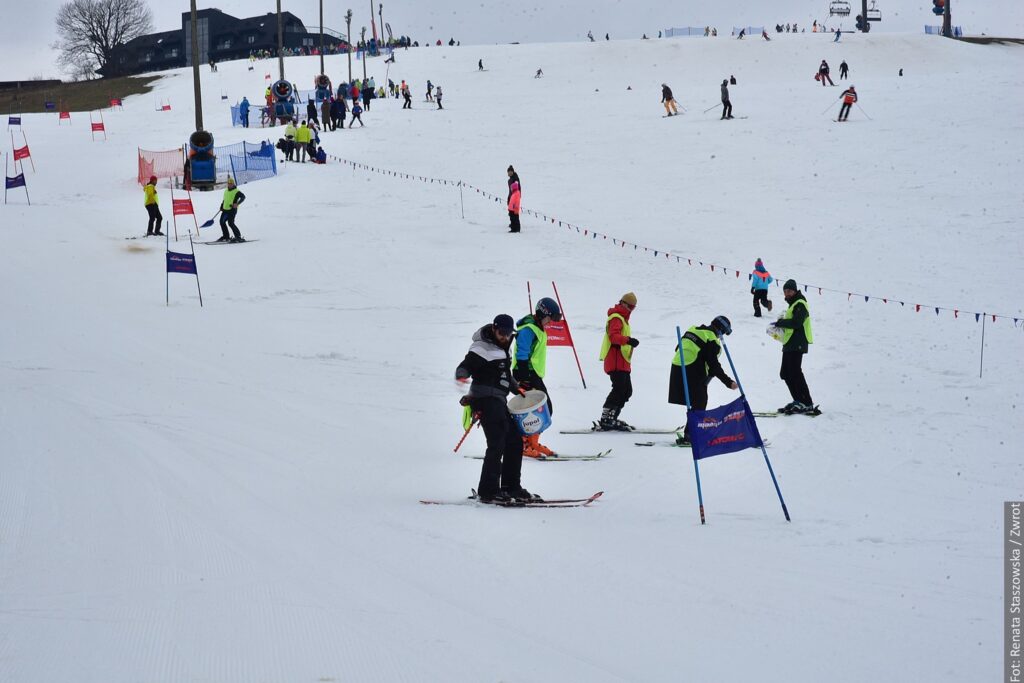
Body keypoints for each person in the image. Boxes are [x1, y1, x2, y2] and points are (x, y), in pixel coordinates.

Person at [454, 314, 537, 503]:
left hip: (498, 400)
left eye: (508, 334)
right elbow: (466, 365)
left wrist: (516, 388)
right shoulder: (480, 347)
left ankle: (511, 487)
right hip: (483, 399)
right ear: (494, 328)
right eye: (502, 333)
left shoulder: (504, 346)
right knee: (497, 443)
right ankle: (488, 491)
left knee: (514, 441)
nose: (505, 337)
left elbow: (504, 374)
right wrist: (461, 375)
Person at [669, 316, 737, 445]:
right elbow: (714, 366)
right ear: (721, 330)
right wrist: (729, 382)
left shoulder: (693, 329)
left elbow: (678, 347)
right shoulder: (712, 340)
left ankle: (691, 432)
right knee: (700, 402)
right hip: (693, 370)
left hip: (678, 367)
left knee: (696, 401)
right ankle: (691, 435)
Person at [512, 297, 563, 457]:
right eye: (550, 318)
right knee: (540, 409)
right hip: (526, 373)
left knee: (542, 409)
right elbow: (522, 353)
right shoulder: (529, 329)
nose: (550, 323)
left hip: (532, 373)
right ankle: (525, 444)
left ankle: (531, 443)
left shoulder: (537, 327)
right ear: (543, 314)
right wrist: (523, 377)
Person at [774, 279, 817, 414]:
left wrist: (781, 323)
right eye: (785, 291)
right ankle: (798, 400)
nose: (787, 293)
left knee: (795, 372)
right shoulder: (792, 305)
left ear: (795, 290)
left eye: (789, 291)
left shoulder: (800, 303)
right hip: (789, 343)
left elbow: (796, 322)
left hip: (797, 343)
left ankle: (807, 402)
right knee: (785, 373)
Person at [597, 292, 638, 430]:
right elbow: (613, 337)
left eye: (633, 308)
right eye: (630, 307)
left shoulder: (623, 319)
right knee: (619, 389)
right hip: (615, 361)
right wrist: (628, 340)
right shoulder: (616, 318)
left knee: (627, 391)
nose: (631, 310)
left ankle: (612, 417)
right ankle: (606, 418)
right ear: (623, 303)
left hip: (623, 361)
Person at [216, 177, 246, 243]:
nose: (229, 185)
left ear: (233, 184)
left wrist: (237, 204)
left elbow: (243, 197)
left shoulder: (236, 191)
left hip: (232, 210)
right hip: (225, 209)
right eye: (228, 183)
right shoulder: (226, 190)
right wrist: (221, 206)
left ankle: (238, 237)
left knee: (230, 223)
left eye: (231, 184)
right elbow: (225, 199)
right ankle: (226, 236)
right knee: (222, 222)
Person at [506, 166, 521, 232]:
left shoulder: (515, 178)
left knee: (514, 213)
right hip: (511, 196)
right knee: (511, 212)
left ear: (512, 171)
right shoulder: (510, 179)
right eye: (508, 172)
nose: (509, 173)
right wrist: (509, 197)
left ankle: (515, 227)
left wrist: (514, 198)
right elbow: (510, 190)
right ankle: (513, 224)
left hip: (515, 197)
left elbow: (516, 189)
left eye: (510, 172)